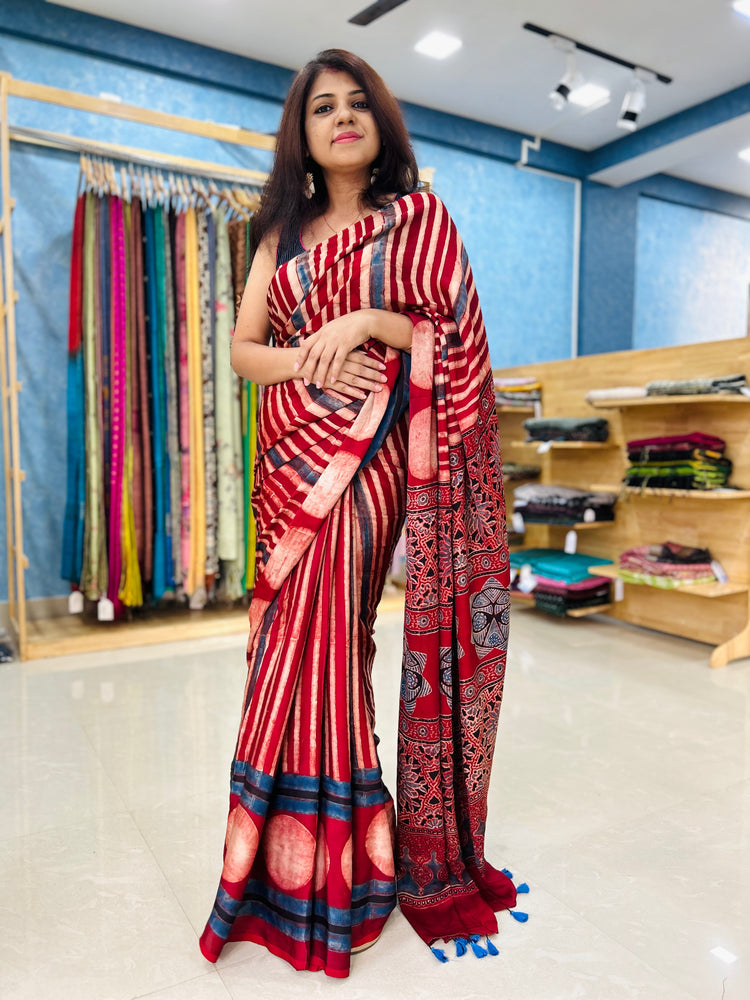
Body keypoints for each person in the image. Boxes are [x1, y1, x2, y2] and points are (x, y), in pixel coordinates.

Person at [199, 48, 517, 980]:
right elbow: (244, 351)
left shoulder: (417, 224)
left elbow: (456, 336)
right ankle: (276, 868)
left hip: (370, 463)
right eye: (321, 108)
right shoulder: (279, 236)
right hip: (291, 461)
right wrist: (309, 362)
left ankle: (345, 872)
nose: (341, 118)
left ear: (380, 121)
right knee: (282, 653)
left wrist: (369, 324)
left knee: (334, 642)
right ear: (300, 134)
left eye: (356, 104)